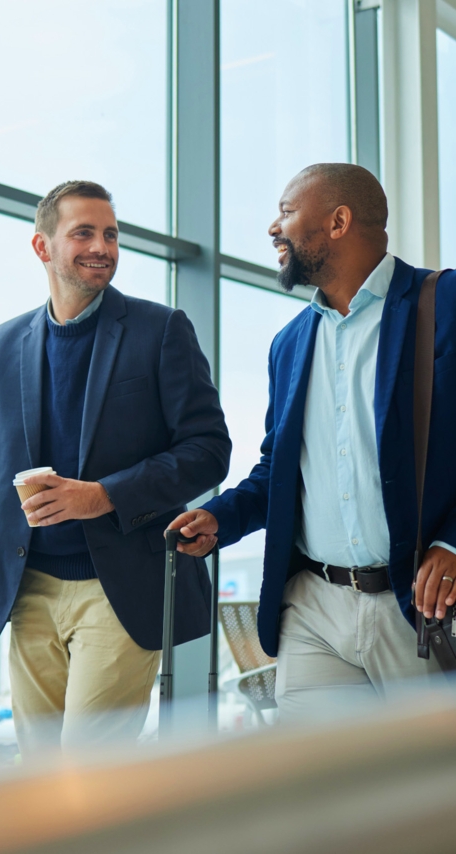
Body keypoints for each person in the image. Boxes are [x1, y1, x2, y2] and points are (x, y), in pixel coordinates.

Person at [0, 180, 231, 752]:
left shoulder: (160, 329)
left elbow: (208, 450)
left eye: (110, 234)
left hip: (121, 584)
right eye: (84, 233)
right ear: (42, 247)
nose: (102, 246)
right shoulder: (6, 343)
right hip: (29, 586)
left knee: (85, 770)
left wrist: (102, 495)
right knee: (40, 773)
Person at [169, 163, 456, 721]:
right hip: (313, 608)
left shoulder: (445, 304)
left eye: (286, 213)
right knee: (322, 796)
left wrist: (453, 543)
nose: (273, 229)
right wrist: (219, 520)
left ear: (338, 221)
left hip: (417, 610)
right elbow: (278, 467)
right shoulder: (290, 343)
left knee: (425, 797)